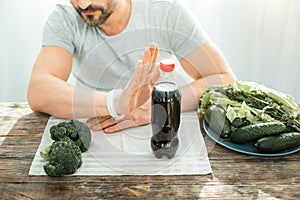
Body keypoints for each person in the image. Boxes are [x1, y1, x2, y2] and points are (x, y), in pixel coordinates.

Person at [28, 0, 235, 133]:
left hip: (160, 129)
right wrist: (116, 103)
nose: (83, 5)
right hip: (95, 128)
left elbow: (224, 78)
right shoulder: (64, 18)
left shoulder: (165, 10)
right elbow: (39, 90)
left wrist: (157, 108)